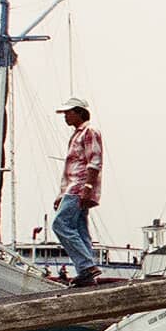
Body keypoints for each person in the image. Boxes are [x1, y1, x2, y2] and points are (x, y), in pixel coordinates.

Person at [51, 96, 104, 287]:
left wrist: (88, 187)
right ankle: (87, 273)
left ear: (78, 112)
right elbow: (71, 168)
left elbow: (94, 160)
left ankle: (86, 266)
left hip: (79, 186)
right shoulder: (77, 135)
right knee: (80, 229)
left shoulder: (89, 131)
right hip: (74, 186)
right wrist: (61, 193)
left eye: (68, 112)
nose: (65, 116)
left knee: (61, 224)